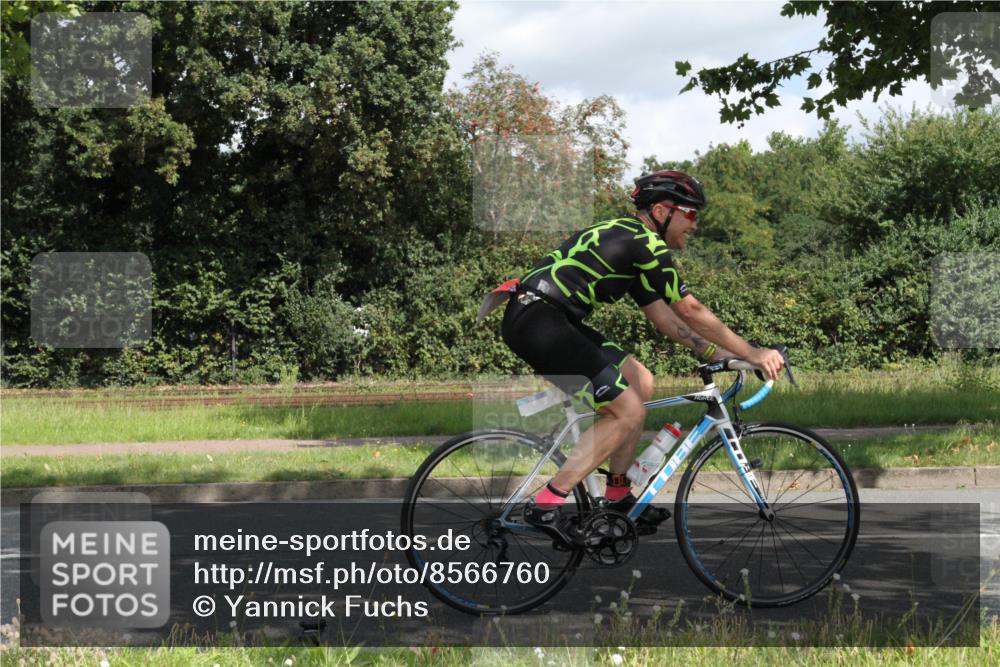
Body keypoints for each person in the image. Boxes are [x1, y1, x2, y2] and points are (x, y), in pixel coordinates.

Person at [497, 170, 785, 545]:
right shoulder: (644, 243)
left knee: (640, 381)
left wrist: (727, 356)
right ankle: (546, 504)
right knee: (627, 411)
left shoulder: (632, 245)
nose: (694, 225)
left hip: (546, 318)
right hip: (538, 321)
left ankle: (617, 495)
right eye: (691, 214)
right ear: (662, 211)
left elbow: (667, 321)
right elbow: (690, 310)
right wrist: (754, 352)